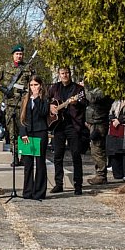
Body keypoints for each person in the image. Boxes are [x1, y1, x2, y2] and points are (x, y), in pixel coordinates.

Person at [0, 44, 34, 166]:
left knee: (25, 131)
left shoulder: (28, 67)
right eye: (17, 54)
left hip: (24, 104)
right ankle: (15, 156)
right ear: (13, 55)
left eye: (21, 54)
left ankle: (25, 157)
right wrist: (3, 89)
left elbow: (34, 82)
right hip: (11, 105)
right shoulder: (5, 66)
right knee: (12, 132)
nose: (19, 56)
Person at [47, 67, 86, 195]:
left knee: (75, 155)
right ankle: (59, 184)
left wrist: (76, 103)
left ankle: (78, 185)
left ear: (70, 74)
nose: (65, 75)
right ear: (59, 75)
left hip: (73, 126)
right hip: (58, 125)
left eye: (67, 73)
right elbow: (47, 101)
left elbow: (84, 102)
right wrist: (51, 107)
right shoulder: (54, 88)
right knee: (58, 155)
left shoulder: (78, 89)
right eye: (62, 73)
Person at [19, 75, 50, 200]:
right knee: (28, 163)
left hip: (40, 132)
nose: (33, 88)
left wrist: (37, 98)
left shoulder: (44, 99)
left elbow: (43, 113)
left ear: (40, 85)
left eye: (36, 85)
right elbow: (21, 117)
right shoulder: (26, 99)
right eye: (31, 85)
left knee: (40, 163)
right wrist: (23, 133)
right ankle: (27, 191)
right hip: (28, 133)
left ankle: (39, 192)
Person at [85, 85, 113, 185]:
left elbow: (92, 98)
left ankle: (101, 175)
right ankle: (100, 174)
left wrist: (85, 87)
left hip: (99, 122)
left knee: (97, 149)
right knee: (95, 149)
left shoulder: (105, 88)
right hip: (95, 120)